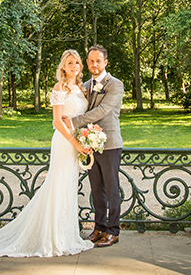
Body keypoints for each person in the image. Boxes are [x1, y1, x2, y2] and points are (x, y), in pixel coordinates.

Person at [0, 49, 94, 257]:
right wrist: (76, 143)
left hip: (78, 142)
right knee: (58, 185)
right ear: (63, 67)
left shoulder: (81, 88)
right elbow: (57, 121)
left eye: (76, 62)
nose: (74, 66)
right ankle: (52, 238)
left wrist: (87, 138)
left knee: (68, 186)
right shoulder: (60, 88)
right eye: (69, 63)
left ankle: (67, 235)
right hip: (65, 142)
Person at [63, 44, 124, 248]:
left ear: (105, 62)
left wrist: (73, 122)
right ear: (87, 63)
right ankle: (99, 228)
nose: (94, 64)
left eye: (98, 61)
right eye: (91, 61)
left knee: (112, 189)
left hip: (110, 143)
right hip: (90, 144)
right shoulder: (86, 85)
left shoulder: (115, 84)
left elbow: (103, 110)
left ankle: (113, 231)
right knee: (96, 189)